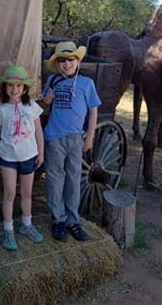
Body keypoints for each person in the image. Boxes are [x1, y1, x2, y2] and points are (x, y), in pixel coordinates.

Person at [41, 41, 100, 242]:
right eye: (62, 61)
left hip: (76, 138)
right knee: (55, 179)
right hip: (55, 137)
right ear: (58, 64)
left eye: (70, 59)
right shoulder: (53, 81)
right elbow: (46, 103)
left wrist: (90, 136)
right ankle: (58, 220)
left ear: (78, 61)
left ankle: (73, 221)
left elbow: (93, 111)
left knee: (73, 179)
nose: (67, 64)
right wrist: (47, 100)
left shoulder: (86, 84)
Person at [0, 64, 45, 250]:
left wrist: (41, 152)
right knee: (10, 193)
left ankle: (27, 225)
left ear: (25, 88)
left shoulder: (32, 106)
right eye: (11, 86)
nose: (15, 90)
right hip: (8, 157)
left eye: (19, 86)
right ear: (5, 88)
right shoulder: (1, 109)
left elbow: (38, 131)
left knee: (27, 193)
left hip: (28, 156)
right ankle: (8, 230)